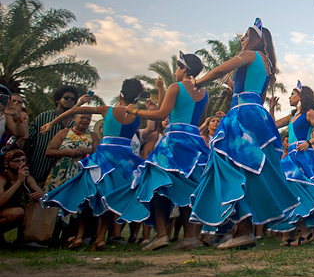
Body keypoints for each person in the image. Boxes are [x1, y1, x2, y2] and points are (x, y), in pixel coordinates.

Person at [189, 18, 300, 250]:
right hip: (256, 115)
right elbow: (253, 94)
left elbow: (221, 67)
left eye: (246, 35)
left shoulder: (251, 55)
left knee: (232, 167)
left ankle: (243, 229)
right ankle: (242, 229)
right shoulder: (267, 63)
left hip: (241, 115)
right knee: (247, 170)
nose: (242, 39)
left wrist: (198, 82)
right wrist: (232, 84)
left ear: (256, 39)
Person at [103, 55, 209, 252]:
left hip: (174, 141)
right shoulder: (204, 93)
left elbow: (161, 114)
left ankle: (161, 235)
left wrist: (136, 112)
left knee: (155, 183)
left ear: (184, 68)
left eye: (178, 68)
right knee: (187, 188)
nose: (176, 72)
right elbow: (200, 120)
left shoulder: (175, 87)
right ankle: (189, 237)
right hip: (194, 143)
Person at [39, 79, 146, 250]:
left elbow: (74, 111)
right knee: (110, 198)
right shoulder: (137, 115)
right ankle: (101, 238)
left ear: (121, 94)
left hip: (102, 159)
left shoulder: (107, 110)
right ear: (137, 98)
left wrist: (52, 123)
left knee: (89, 196)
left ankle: (80, 237)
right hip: (123, 161)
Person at [269, 81, 314, 246]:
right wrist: (272, 107)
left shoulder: (309, 113)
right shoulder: (292, 116)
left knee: (303, 191)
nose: (290, 96)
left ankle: (307, 233)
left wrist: (309, 142)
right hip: (291, 158)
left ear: (302, 96)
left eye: (293, 93)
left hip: (303, 156)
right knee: (291, 193)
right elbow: (273, 125)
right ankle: (303, 233)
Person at [42, 112, 99, 245]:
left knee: (75, 205)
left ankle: (67, 238)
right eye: (82, 117)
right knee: (55, 204)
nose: (85, 120)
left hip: (79, 174)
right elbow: (49, 151)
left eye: (88, 118)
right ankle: (50, 237)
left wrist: (89, 152)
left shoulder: (93, 136)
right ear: (75, 119)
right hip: (60, 173)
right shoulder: (64, 133)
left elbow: (97, 156)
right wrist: (69, 153)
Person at [27, 86, 87, 185]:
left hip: (62, 172)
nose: (70, 100)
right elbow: (29, 139)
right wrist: (27, 161)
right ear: (57, 99)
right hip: (39, 165)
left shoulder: (76, 122)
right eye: (66, 97)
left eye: (73, 99)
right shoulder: (44, 117)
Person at [0, 149, 44, 245]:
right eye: (16, 161)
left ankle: (24, 239)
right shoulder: (2, 178)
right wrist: (18, 181)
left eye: (24, 160)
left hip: (11, 209)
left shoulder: (27, 177)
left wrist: (40, 194)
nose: (21, 164)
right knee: (17, 212)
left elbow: (41, 193)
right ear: (6, 164)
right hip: (4, 211)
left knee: (31, 208)